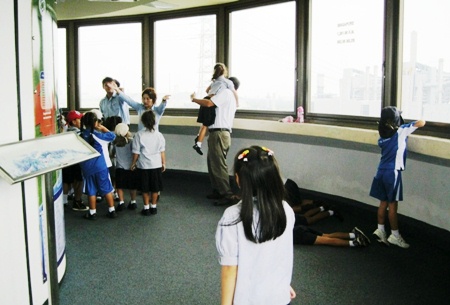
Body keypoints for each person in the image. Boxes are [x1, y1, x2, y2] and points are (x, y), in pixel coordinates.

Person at [215, 146, 296, 305]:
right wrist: (282, 286)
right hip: (279, 297)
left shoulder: (232, 217)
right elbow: (280, 254)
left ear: (238, 179)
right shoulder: (286, 210)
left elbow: (230, 270)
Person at [370, 106, 426, 248]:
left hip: (380, 172)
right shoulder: (401, 131)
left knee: (383, 203)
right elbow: (421, 122)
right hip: (392, 173)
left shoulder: (382, 137)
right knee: (393, 206)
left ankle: (381, 230)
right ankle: (395, 235)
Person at [190, 77, 239, 206]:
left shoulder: (227, 93)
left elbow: (208, 103)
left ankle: (227, 194)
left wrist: (194, 99)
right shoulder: (228, 95)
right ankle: (218, 190)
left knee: (218, 165)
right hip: (217, 133)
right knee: (213, 163)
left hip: (219, 133)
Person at [192, 63, 239, 156]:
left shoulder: (214, 81)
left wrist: (211, 93)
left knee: (205, 124)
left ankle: (198, 141)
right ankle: (198, 142)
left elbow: (207, 90)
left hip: (207, 98)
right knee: (206, 124)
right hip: (210, 102)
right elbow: (234, 92)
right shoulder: (228, 85)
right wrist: (236, 103)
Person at [79, 111, 117, 220]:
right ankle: (112, 210)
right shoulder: (97, 136)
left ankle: (92, 213)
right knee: (106, 188)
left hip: (87, 168)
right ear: (95, 122)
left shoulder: (80, 136)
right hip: (100, 167)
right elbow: (112, 136)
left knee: (91, 191)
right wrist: (103, 129)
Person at [131, 110, 166, 216]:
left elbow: (136, 152)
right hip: (156, 165)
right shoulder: (159, 135)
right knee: (155, 187)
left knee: (145, 188)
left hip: (143, 166)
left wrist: (133, 163)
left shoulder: (139, 135)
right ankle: (153, 207)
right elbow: (162, 151)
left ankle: (146, 208)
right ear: (154, 121)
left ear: (143, 122)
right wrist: (163, 163)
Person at [62, 110, 88, 211]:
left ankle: (63, 201)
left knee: (66, 181)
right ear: (73, 121)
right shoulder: (78, 133)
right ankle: (77, 202)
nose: (82, 121)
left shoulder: (66, 131)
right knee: (79, 181)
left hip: (67, 160)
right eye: (79, 119)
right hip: (76, 160)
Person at [113, 123, 139, 211]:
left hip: (120, 167)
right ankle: (133, 202)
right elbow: (135, 152)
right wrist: (134, 163)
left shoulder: (115, 142)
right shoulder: (131, 141)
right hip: (131, 167)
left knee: (119, 186)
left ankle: (121, 202)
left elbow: (112, 154)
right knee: (132, 186)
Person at [293, 225, 370, 247]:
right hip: (298, 228)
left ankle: (355, 243)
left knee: (327, 241)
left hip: (297, 235)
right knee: (327, 236)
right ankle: (353, 235)